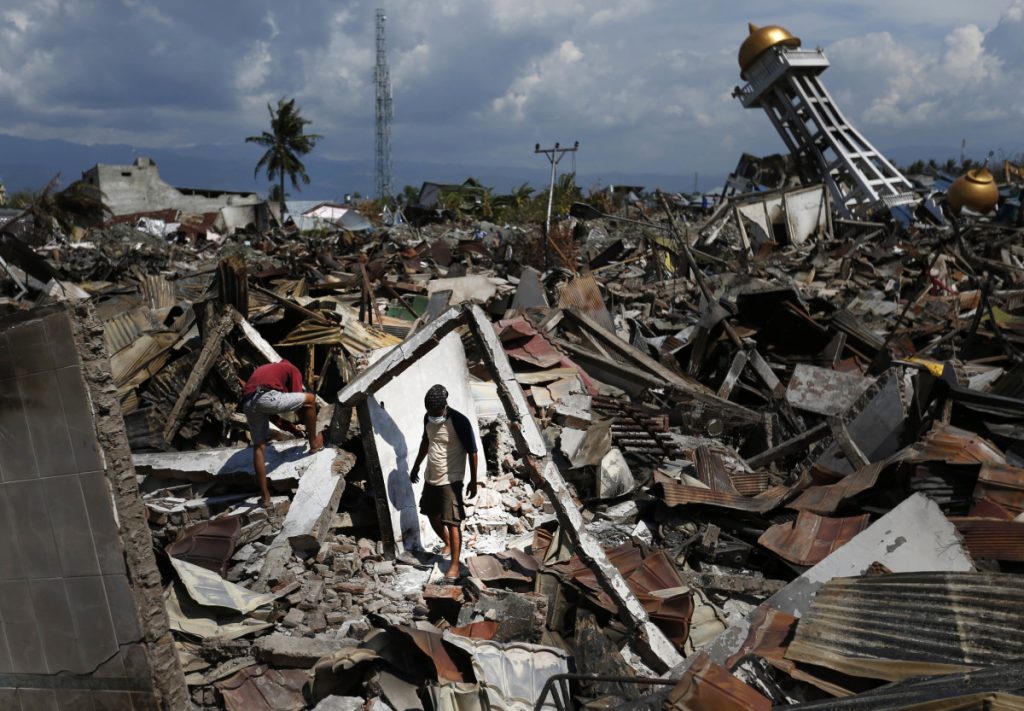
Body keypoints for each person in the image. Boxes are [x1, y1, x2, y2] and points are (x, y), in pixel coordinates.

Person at [409, 384, 479, 579]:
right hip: (432, 476)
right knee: (431, 514)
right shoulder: (428, 418)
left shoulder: (459, 421)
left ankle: (455, 565)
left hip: (451, 478)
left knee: (453, 522)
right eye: (429, 411)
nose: (432, 414)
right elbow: (426, 442)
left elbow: (473, 451)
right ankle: (447, 543)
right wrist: (416, 467)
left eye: (436, 411)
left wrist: (473, 481)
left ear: (444, 406)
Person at [241, 359, 323, 507]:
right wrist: (307, 422)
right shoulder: (292, 368)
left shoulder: (266, 369)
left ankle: (265, 497)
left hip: (248, 402)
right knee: (310, 399)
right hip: (265, 396)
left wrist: (292, 428)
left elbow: (272, 415)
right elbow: (298, 398)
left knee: (259, 447)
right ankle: (314, 443)